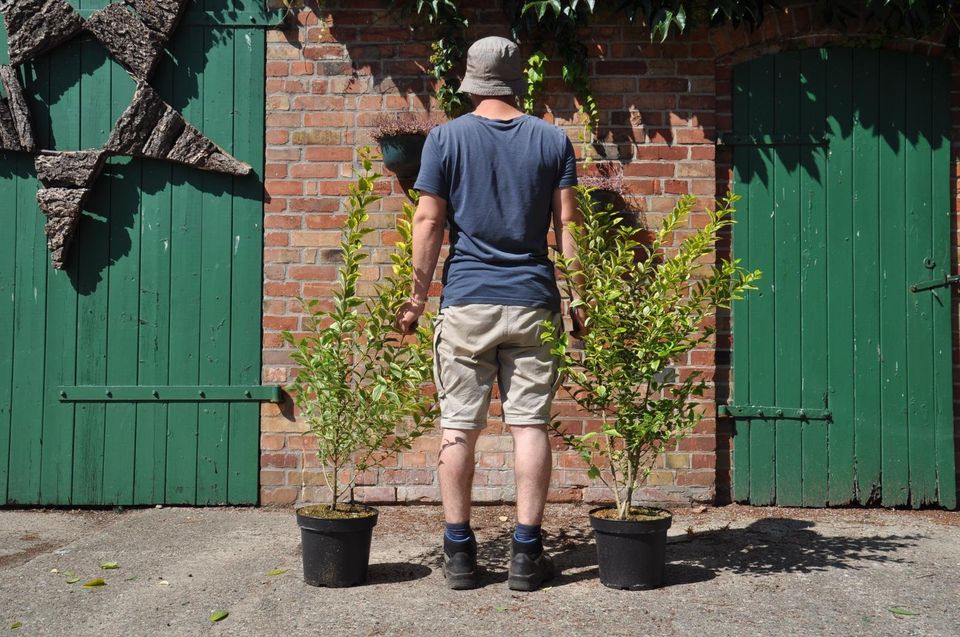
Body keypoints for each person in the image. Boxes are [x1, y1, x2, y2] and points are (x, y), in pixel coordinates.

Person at [395, 35, 587, 591]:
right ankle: (527, 556)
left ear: (471, 80)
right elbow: (568, 227)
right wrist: (581, 298)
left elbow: (428, 223)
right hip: (532, 299)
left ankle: (459, 555)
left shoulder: (445, 140)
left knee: (458, 430)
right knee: (529, 426)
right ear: (517, 80)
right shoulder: (554, 140)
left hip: (467, 303)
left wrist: (414, 297)